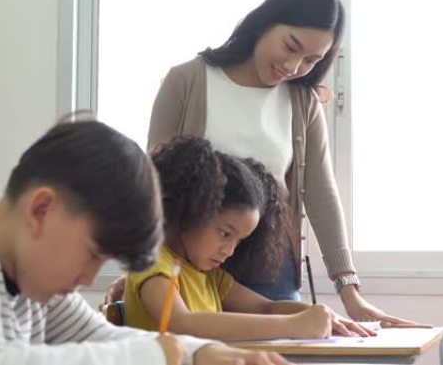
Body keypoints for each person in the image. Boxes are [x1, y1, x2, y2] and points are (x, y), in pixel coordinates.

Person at [105, 0, 415, 329]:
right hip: (189, 259)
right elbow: (155, 181)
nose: (295, 65)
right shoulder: (188, 80)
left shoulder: (302, 102)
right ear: (264, 22)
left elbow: (321, 194)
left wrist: (349, 291)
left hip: (269, 267)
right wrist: (143, 266)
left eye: (311, 60)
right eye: (291, 46)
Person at [0, 119, 288, 365]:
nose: (89, 279)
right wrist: (154, 355)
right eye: (92, 254)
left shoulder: (35, 290)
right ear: (41, 210)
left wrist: (203, 352)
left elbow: (103, 337)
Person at [123, 136, 365, 341]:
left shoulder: (208, 276)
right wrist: (293, 326)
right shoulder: (153, 263)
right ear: (190, 211)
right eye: (225, 233)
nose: (229, 250)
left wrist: (324, 316)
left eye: (239, 241)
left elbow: (266, 308)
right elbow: (181, 323)